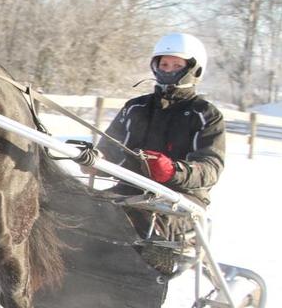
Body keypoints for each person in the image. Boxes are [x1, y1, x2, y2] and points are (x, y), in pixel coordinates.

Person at [95, 32, 226, 247]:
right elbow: (110, 149)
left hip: (182, 201)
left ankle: (132, 277)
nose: (168, 70)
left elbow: (210, 168)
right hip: (130, 191)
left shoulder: (205, 115)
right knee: (81, 211)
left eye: (176, 65)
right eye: (164, 64)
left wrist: (172, 171)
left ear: (193, 68)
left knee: (137, 224)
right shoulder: (136, 107)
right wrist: (95, 161)